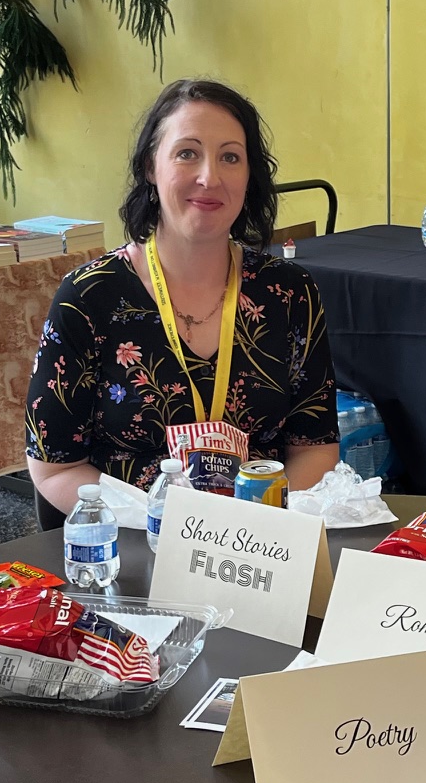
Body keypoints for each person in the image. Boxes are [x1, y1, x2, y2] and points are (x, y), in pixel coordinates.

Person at [27, 78, 341, 515]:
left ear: (250, 177)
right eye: (186, 153)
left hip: (255, 547)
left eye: (230, 157)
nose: (209, 177)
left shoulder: (289, 293)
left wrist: (250, 526)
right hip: (129, 547)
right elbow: (55, 467)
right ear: (150, 168)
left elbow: (315, 449)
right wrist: (168, 530)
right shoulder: (89, 296)